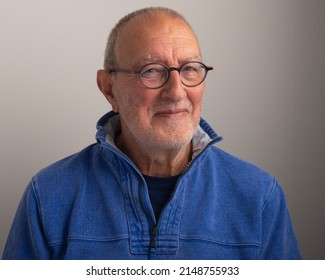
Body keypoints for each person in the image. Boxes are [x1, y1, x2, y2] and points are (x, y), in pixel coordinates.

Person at [2, 7, 301, 260]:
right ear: (109, 89)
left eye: (189, 69)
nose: (176, 92)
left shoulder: (260, 196)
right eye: (152, 70)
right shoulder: (48, 196)